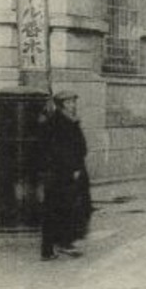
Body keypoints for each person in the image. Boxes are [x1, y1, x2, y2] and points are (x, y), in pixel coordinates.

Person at [38, 92, 90, 261]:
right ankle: (52, 248)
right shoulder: (59, 122)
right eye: (70, 102)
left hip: (68, 172)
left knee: (68, 208)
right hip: (63, 173)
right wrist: (73, 168)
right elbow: (59, 150)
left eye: (74, 101)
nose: (73, 104)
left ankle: (63, 242)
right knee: (57, 209)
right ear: (62, 104)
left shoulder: (69, 120)